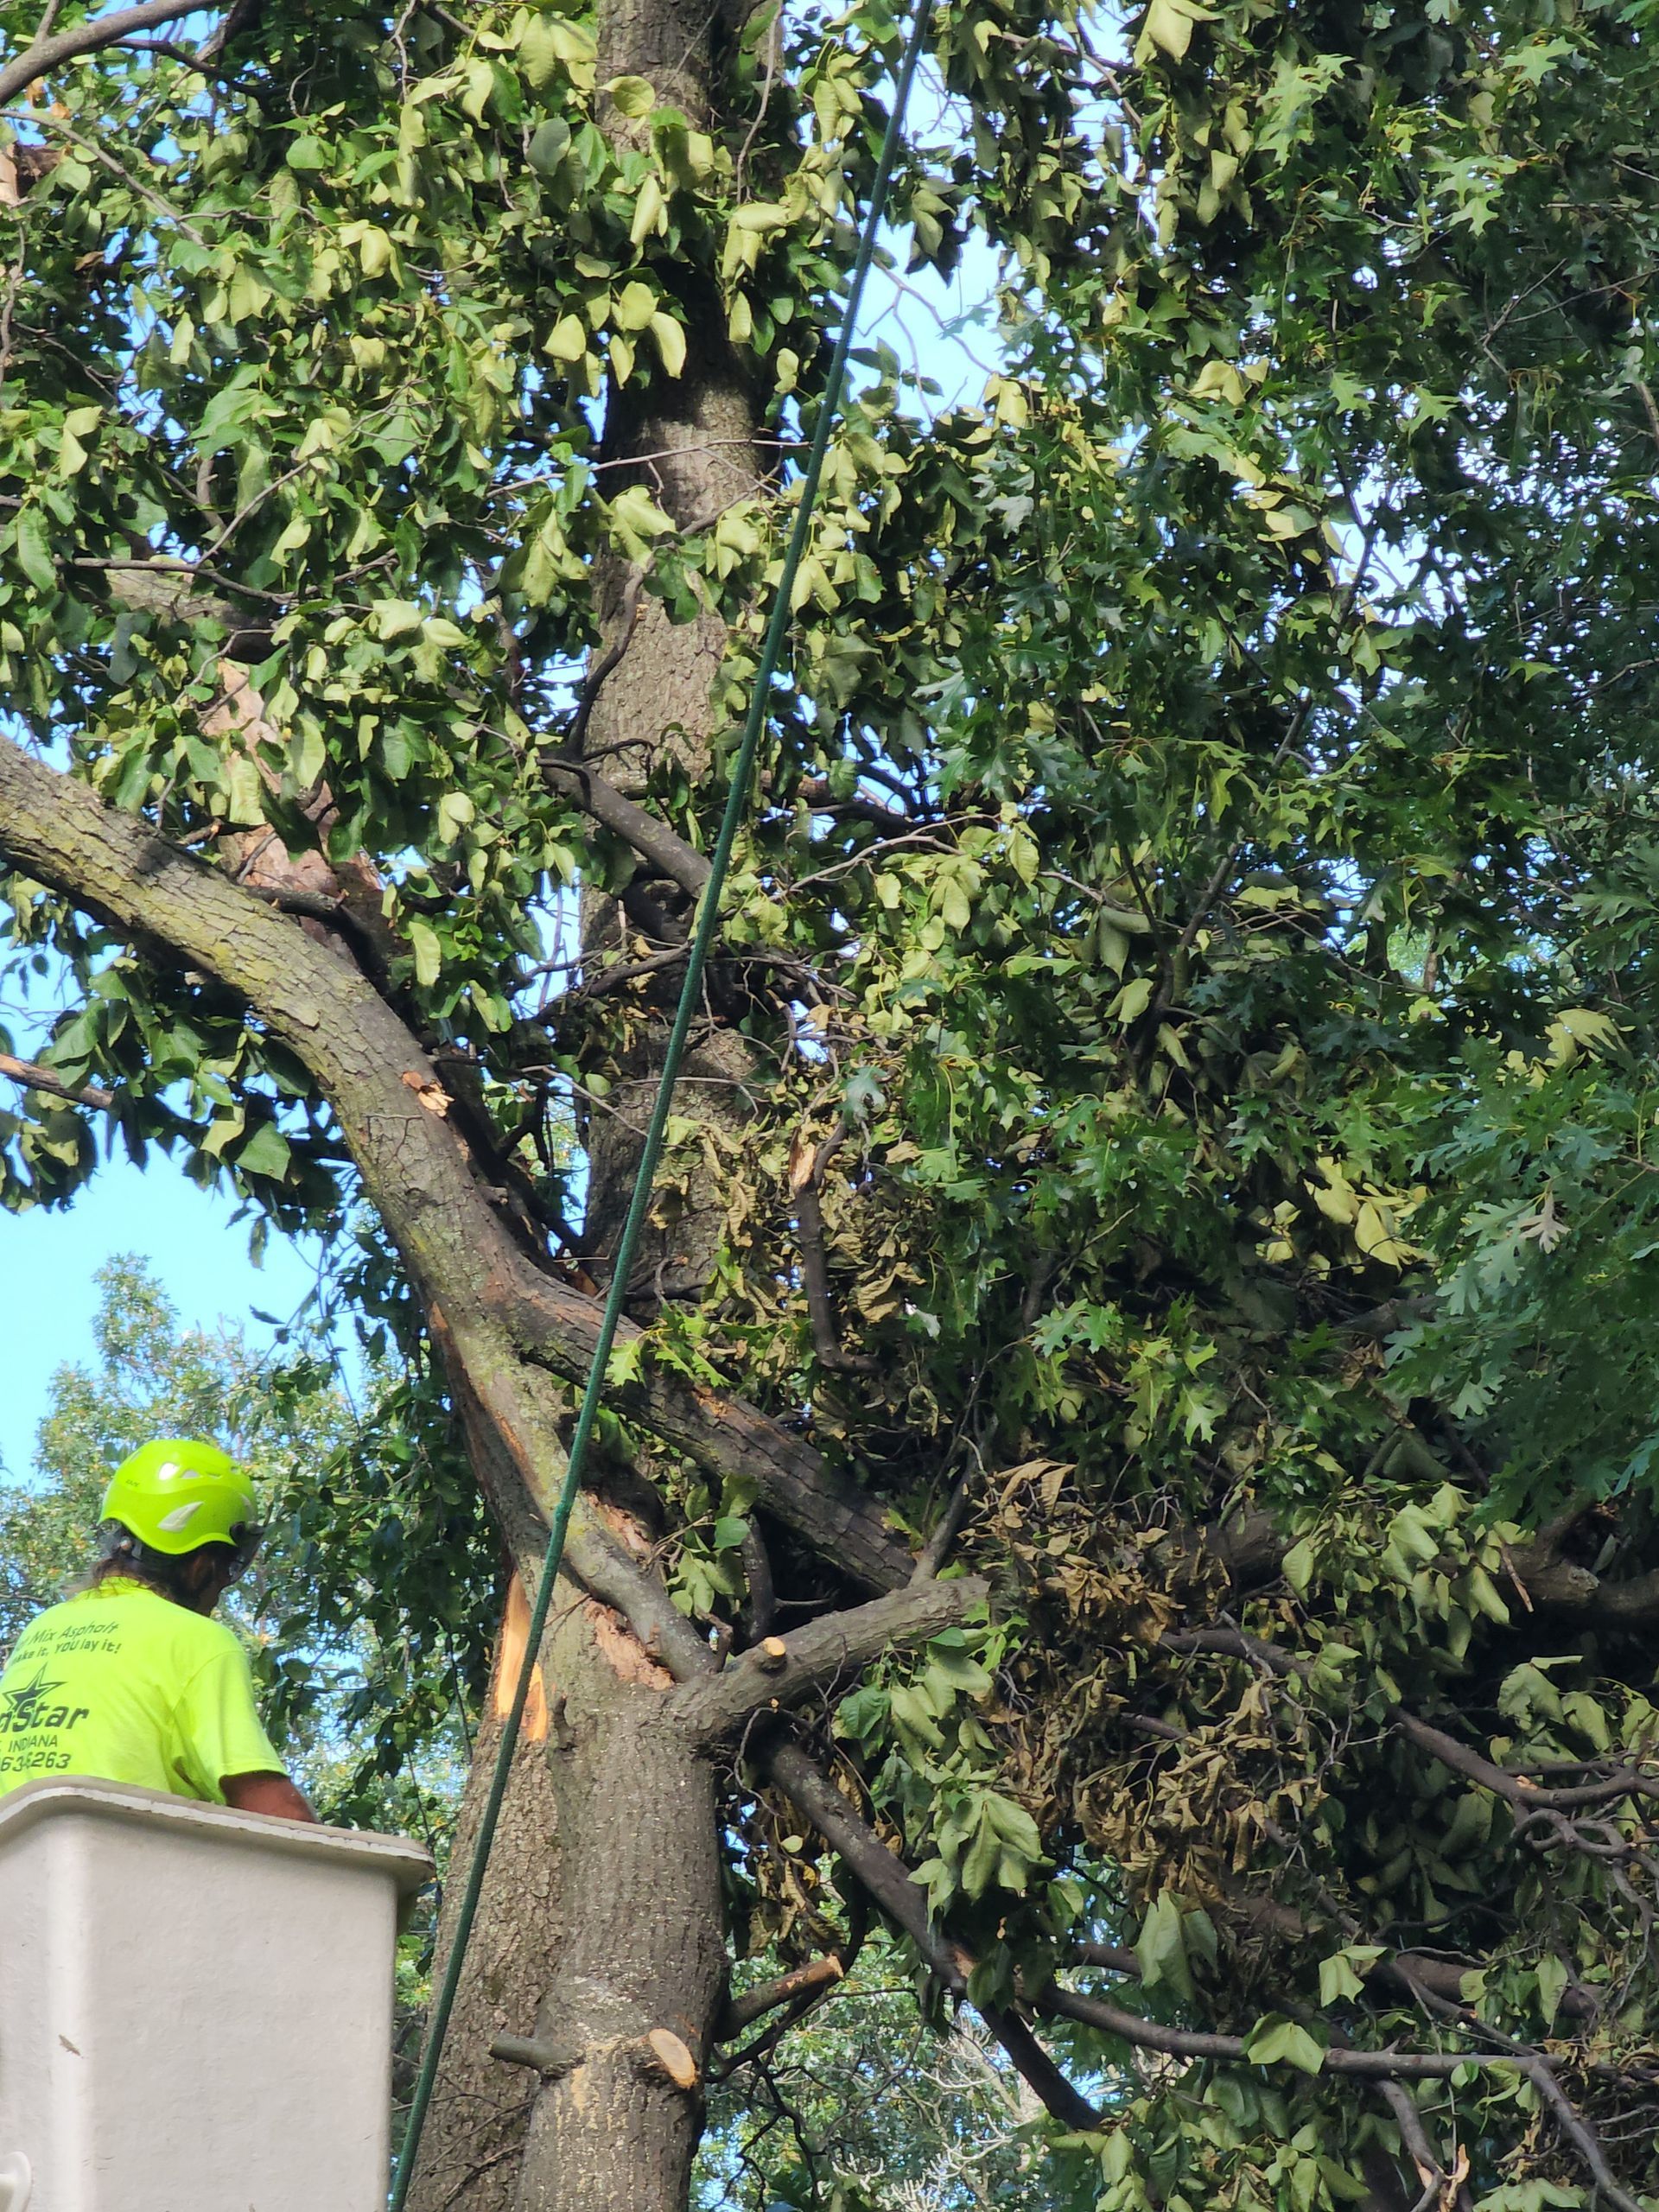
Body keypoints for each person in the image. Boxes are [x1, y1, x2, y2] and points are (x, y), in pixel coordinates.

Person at [0, 1438, 315, 1821]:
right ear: (203, 1563)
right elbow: (280, 1813)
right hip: (120, 1869)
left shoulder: (43, 1627)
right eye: (229, 1568)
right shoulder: (197, 1640)